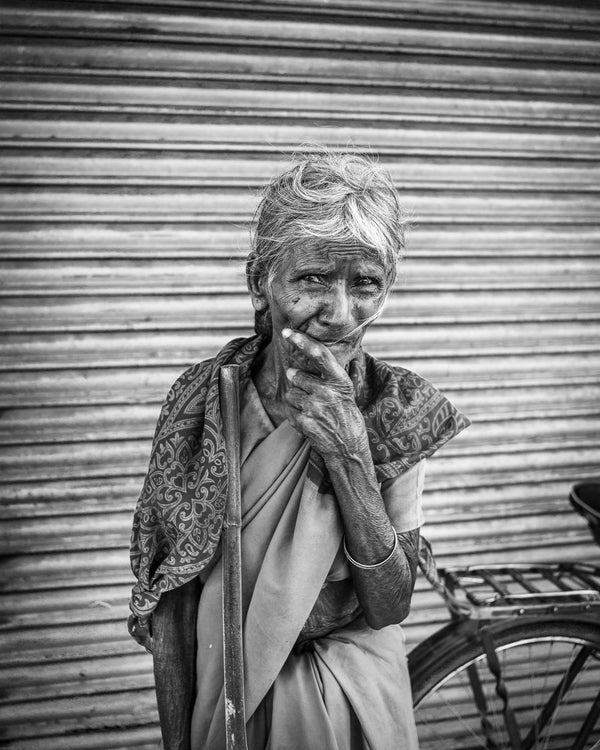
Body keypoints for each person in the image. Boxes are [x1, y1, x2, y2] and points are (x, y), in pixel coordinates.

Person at [128, 149, 470, 750]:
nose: (340, 315)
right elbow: (172, 599)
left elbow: (391, 604)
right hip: (221, 691)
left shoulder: (394, 409)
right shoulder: (202, 403)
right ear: (261, 283)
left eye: (365, 284)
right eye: (312, 279)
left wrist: (348, 458)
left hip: (346, 703)